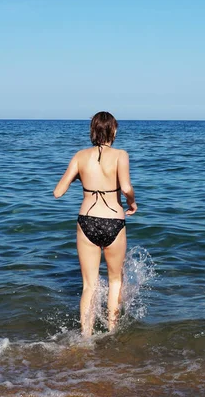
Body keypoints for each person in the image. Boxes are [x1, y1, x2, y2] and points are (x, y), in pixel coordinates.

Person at [53, 111, 137, 335]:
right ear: (114, 130)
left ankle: (86, 338)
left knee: (89, 285)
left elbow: (58, 192)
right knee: (115, 281)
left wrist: (81, 175)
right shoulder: (121, 155)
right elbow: (127, 188)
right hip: (114, 221)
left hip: (86, 221)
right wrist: (132, 203)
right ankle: (111, 331)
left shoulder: (80, 156)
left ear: (93, 131)